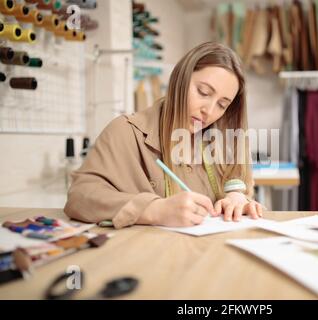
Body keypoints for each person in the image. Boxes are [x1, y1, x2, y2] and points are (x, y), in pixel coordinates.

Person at [64, 42, 264, 229]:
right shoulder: (126, 132)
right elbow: (80, 197)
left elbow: (238, 180)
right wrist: (153, 210)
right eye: (203, 92)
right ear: (180, 80)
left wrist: (237, 196)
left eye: (222, 104)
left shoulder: (218, 141)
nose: (209, 111)